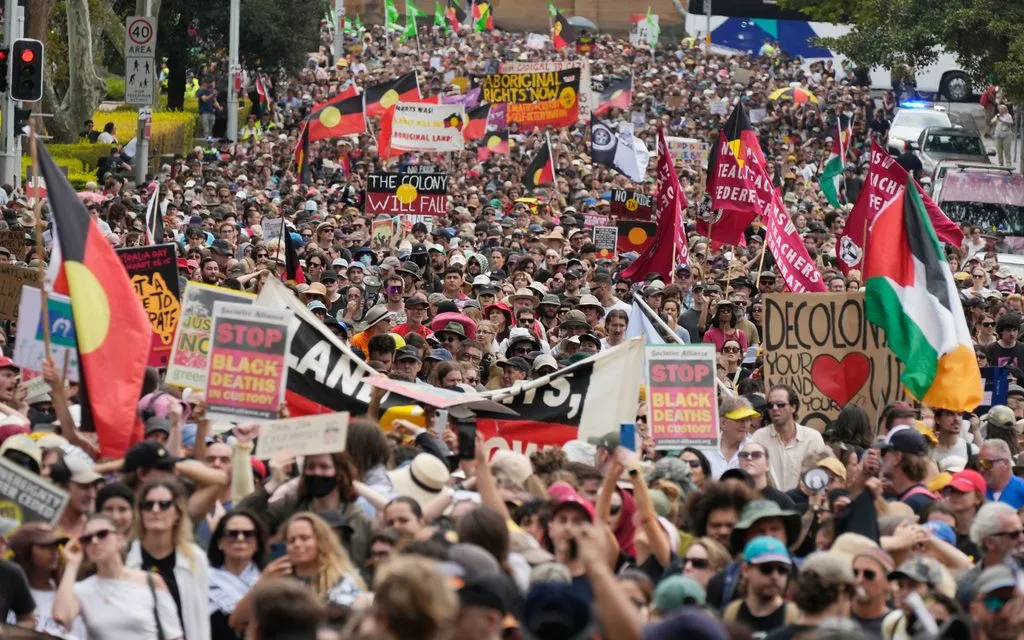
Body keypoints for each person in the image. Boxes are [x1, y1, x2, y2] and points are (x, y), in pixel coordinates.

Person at [53, 514, 184, 640]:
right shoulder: (82, 589)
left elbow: (174, 636)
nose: (95, 541)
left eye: (102, 534)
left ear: (120, 539)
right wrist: (72, 564)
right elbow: (61, 617)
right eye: (87, 538)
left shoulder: (150, 581)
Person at [237, 451, 372, 567]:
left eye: (324, 467)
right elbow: (239, 518)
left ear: (339, 473)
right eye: (311, 467)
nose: (317, 472)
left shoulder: (357, 518)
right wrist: (272, 485)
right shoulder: (289, 506)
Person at [125, 477, 211, 640]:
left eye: (164, 505)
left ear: (177, 513)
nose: (155, 510)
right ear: (140, 513)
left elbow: (201, 618)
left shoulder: (195, 557)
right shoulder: (127, 556)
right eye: (148, 505)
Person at [749, 385, 831, 492]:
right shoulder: (758, 438)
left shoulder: (813, 438)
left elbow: (822, 476)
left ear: (793, 407)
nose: (774, 408)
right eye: (770, 405)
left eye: (780, 404)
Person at [766, 552, 856, 640]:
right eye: (851, 592)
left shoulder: (774, 637)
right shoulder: (850, 637)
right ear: (841, 591)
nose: (850, 603)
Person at [206, 509, 267, 640]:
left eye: (248, 534)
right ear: (220, 542)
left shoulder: (270, 583)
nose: (240, 538)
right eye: (232, 534)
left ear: (257, 543)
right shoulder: (203, 580)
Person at [722, 536, 799, 634]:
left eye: (782, 569)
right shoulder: (731, 613)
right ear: (745, 570)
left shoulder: (795, 617)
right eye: (766, 568)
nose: (775, 576)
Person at [707, 395, 757, 479]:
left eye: (748, 420)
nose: (745, 425)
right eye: (740, 420)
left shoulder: (755, 451)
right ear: (723, 423)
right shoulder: (706, 448)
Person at [851, 548, 895, 640]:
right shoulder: (836, 617)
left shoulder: (896, 625)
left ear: (889, 582)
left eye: (868, 574)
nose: (859, 580)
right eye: (855, 573)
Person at [980, 438, 1024, 508]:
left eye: (987, 463)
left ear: (1005, 463)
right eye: (980, 464)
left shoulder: (1021, 490)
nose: (982, 469)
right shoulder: (977, 494)